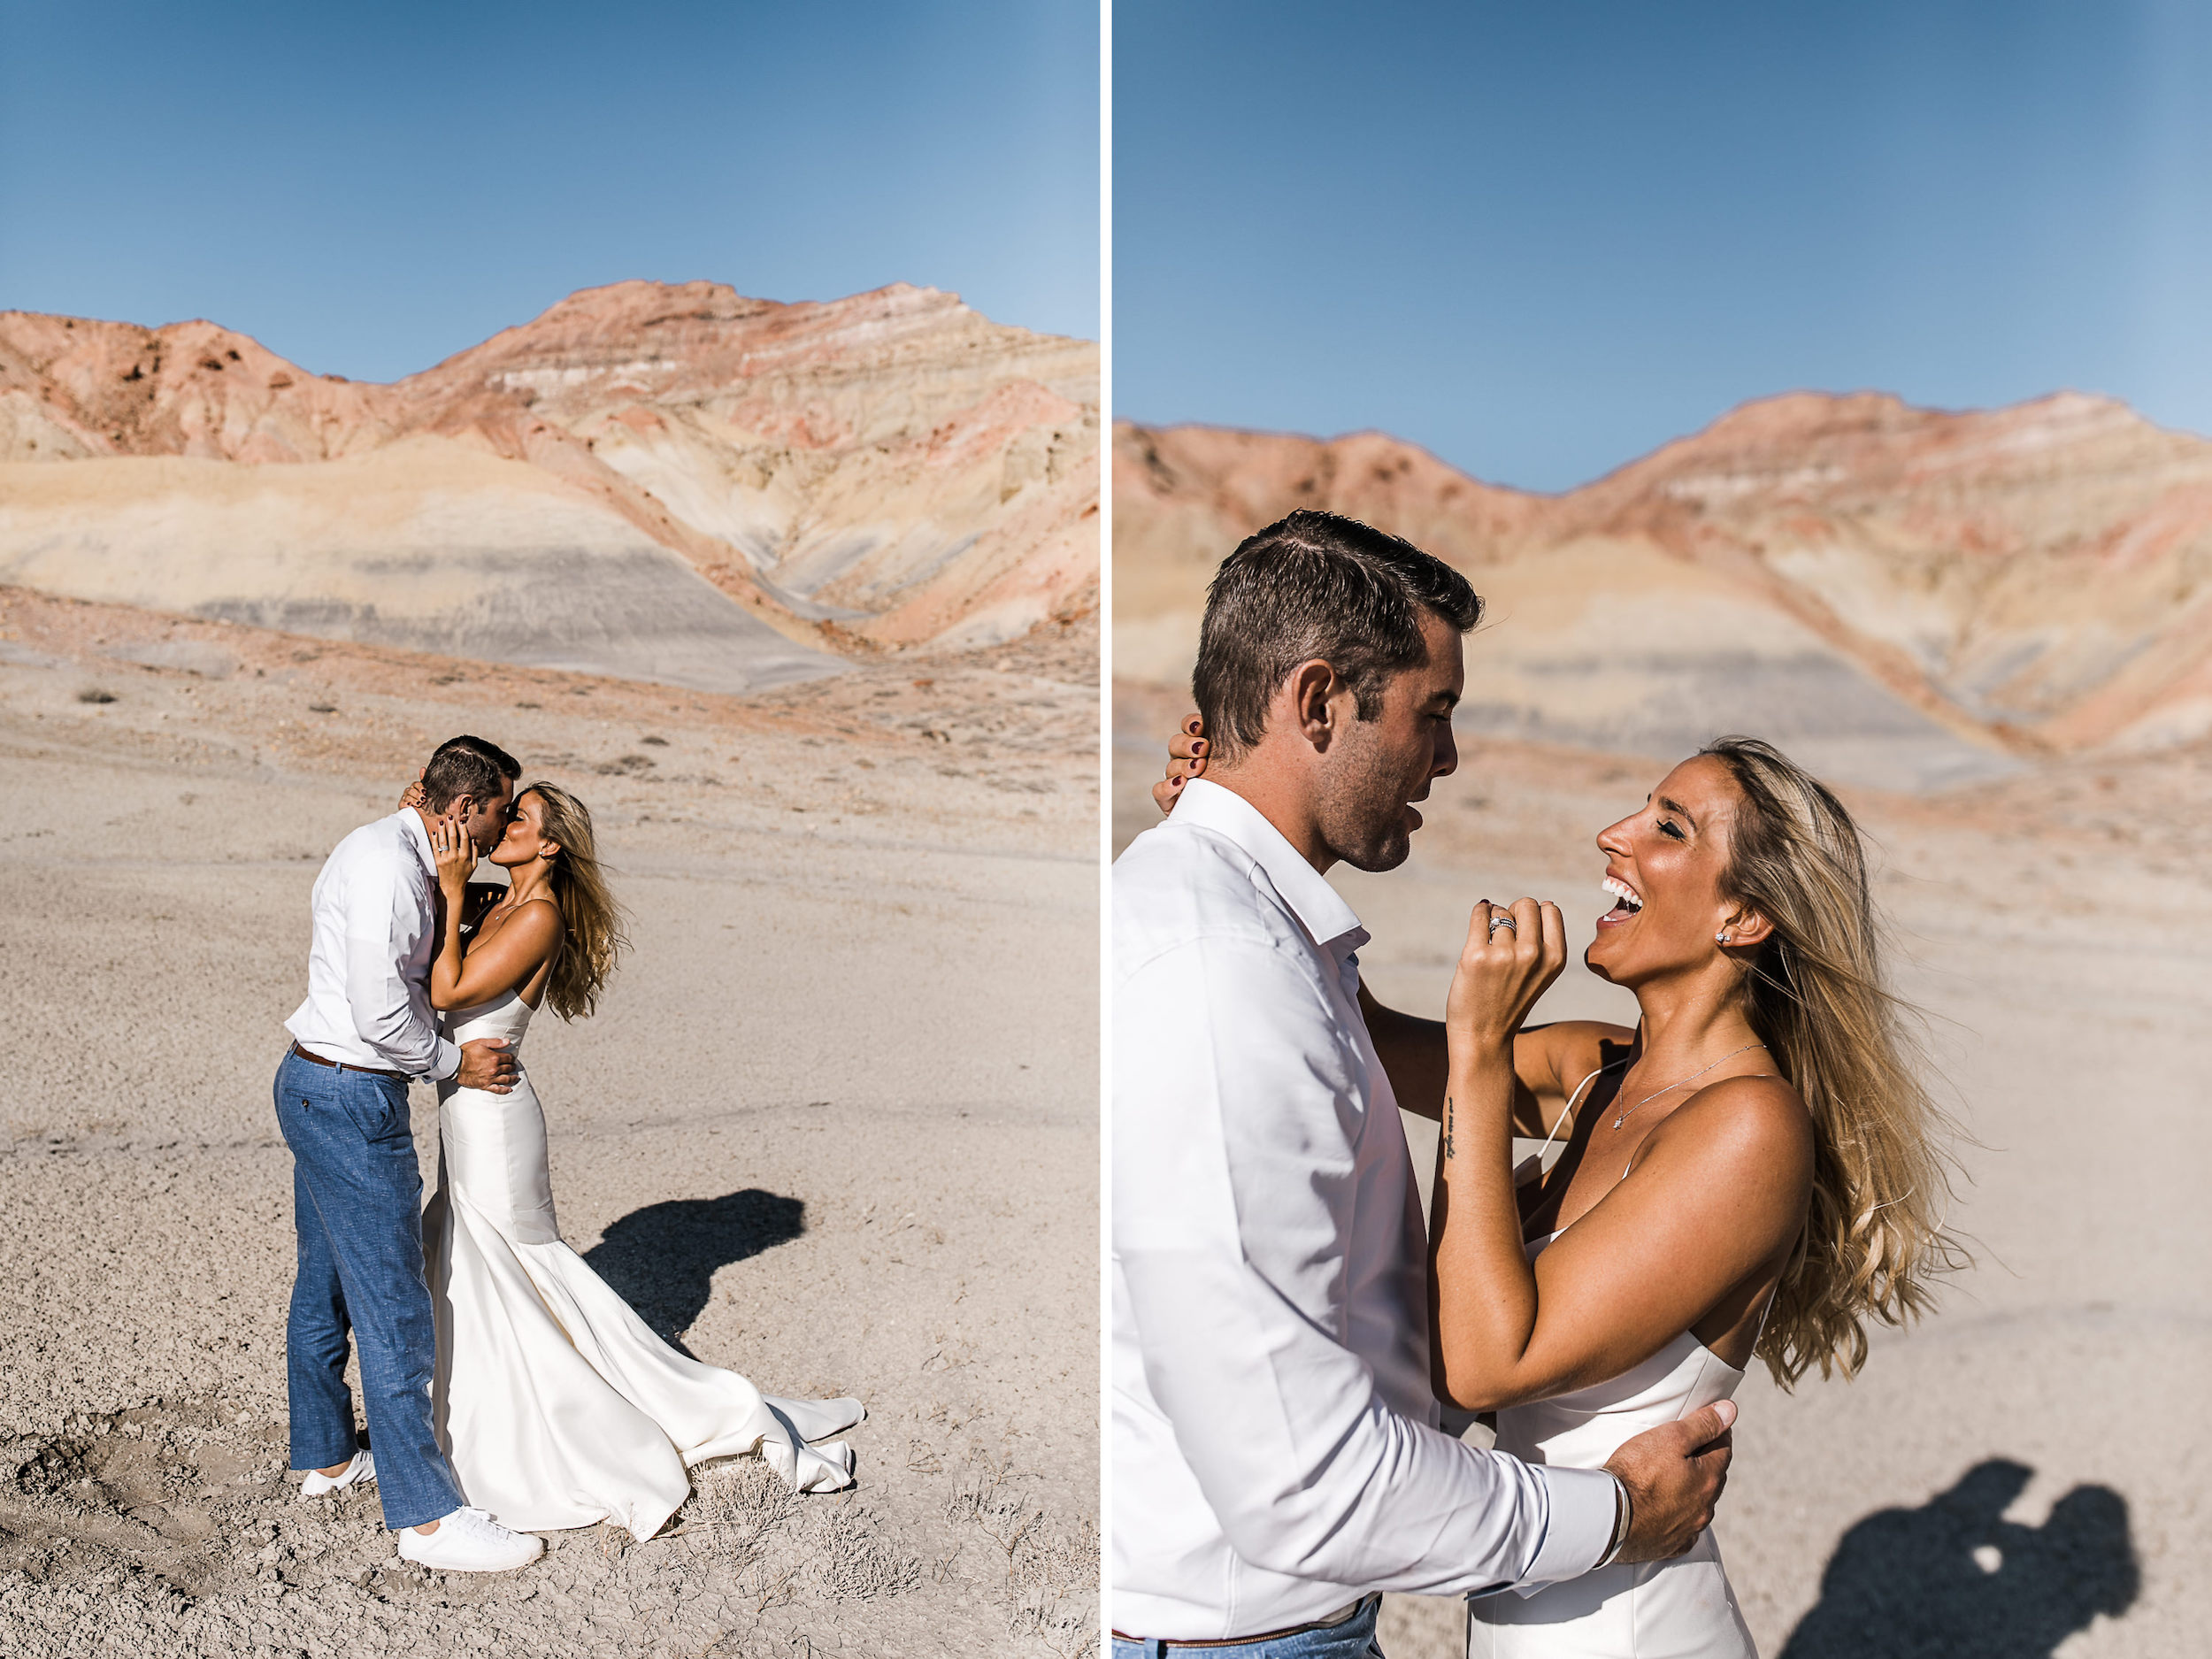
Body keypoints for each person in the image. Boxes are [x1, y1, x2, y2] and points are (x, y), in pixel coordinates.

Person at [1158, 675, 1963, 1653]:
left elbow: (1485, 1362)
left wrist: (1481, 1058)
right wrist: (1235, 836)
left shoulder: (1749, 1129)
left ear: (1744, 917)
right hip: (1528, 1606)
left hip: (1627, 1627)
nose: (1612, 835)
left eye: (1668, 827)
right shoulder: (1598, 1066)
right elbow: (1354, 1031)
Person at [1113, 511, 1738, 1659]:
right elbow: (1324, 1468)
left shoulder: (1256, 950)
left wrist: (1219, 842)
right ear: (1317, 701)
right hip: (1261, 1623)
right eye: (1432, 712)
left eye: (1666, 825)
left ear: (1750, 909)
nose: (1445, 759)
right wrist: (1619, 1513)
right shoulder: (1221, 969)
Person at [411, 773, 864, 1539]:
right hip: (466, 1107)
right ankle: (481, 1417)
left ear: (549, 842)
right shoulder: (499, 902)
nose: (505, 827)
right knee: (468, 1262)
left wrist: (456, 891)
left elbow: (447, 994)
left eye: (518, 818)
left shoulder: (540, 917)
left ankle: (569, 1427)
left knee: (515, 1270)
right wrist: (429, 835)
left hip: (495, 1119)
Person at [278, 733, 546, 1572]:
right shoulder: (391, 867)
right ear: (462, 807)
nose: (503, 824)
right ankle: (427, 1519)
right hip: (354, 1094)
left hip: (315, 1084)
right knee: (394, 1303)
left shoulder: (394, 845)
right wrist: (449, 1061)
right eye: (499, 808)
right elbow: (376, 1011)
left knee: (323, 1281)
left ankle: (325, 1457)